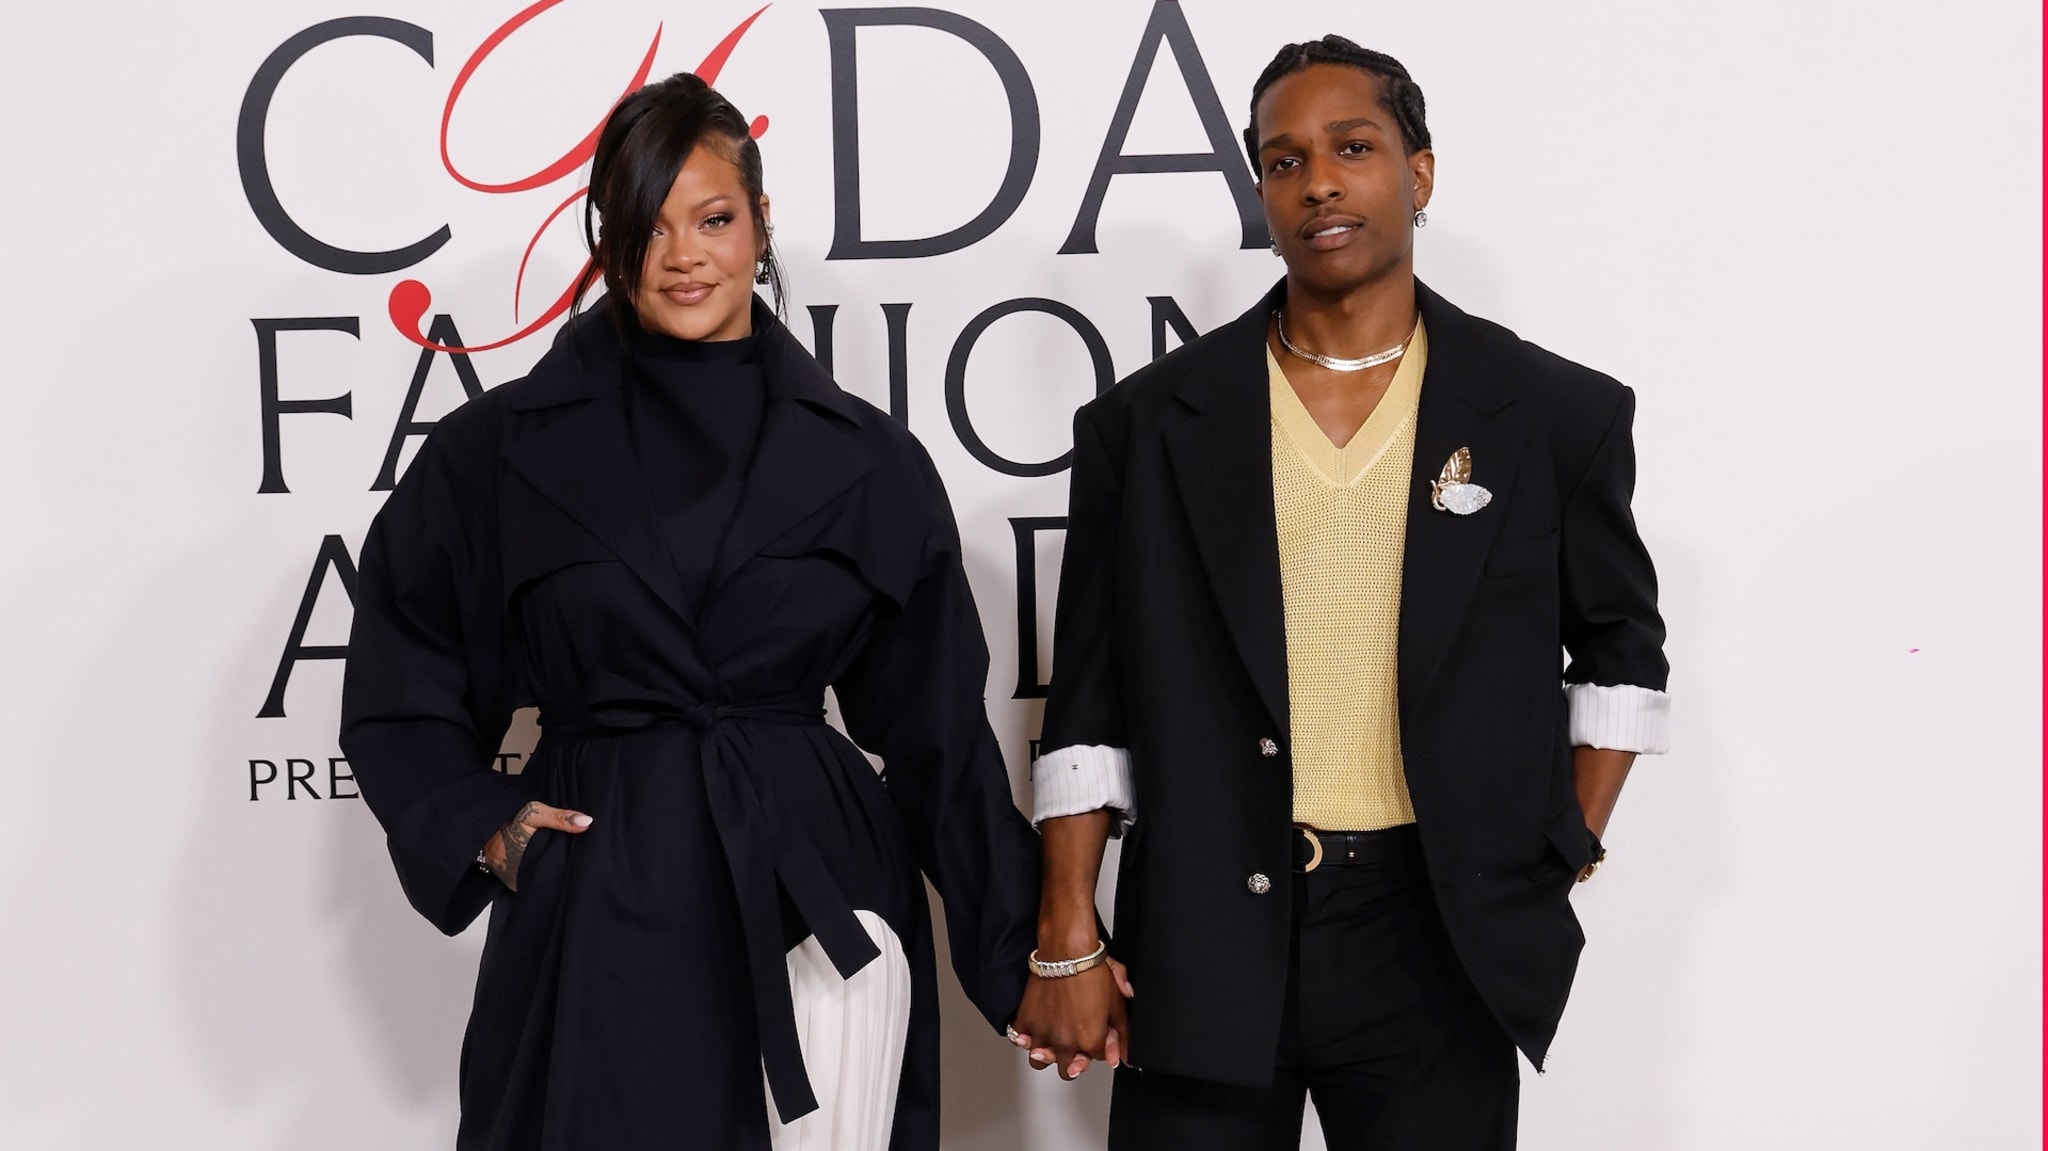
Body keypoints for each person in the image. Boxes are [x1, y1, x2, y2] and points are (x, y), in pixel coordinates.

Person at [340, 72, 1040, 1151]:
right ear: (605, 238)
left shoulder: (866, 460)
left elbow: (938, 737)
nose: (682, 255)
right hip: (600, 892)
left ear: (759, 223)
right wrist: (488, 827)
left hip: (818, 898)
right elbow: (403, 666)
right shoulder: (501, 451)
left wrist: (1034, 956)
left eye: (713, 218)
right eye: (646, 224)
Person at [1009, 36, 1671, 1150]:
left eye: (1351, 148)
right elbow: (1087, 698)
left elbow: (1618, 649)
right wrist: (1065, 933)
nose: (1316, 180)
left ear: (1416, 172)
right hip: (1206, 926)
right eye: (1281, 159)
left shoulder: (1551, 411)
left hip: (1434, 938)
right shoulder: (1146, 425)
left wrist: (1557, 844)